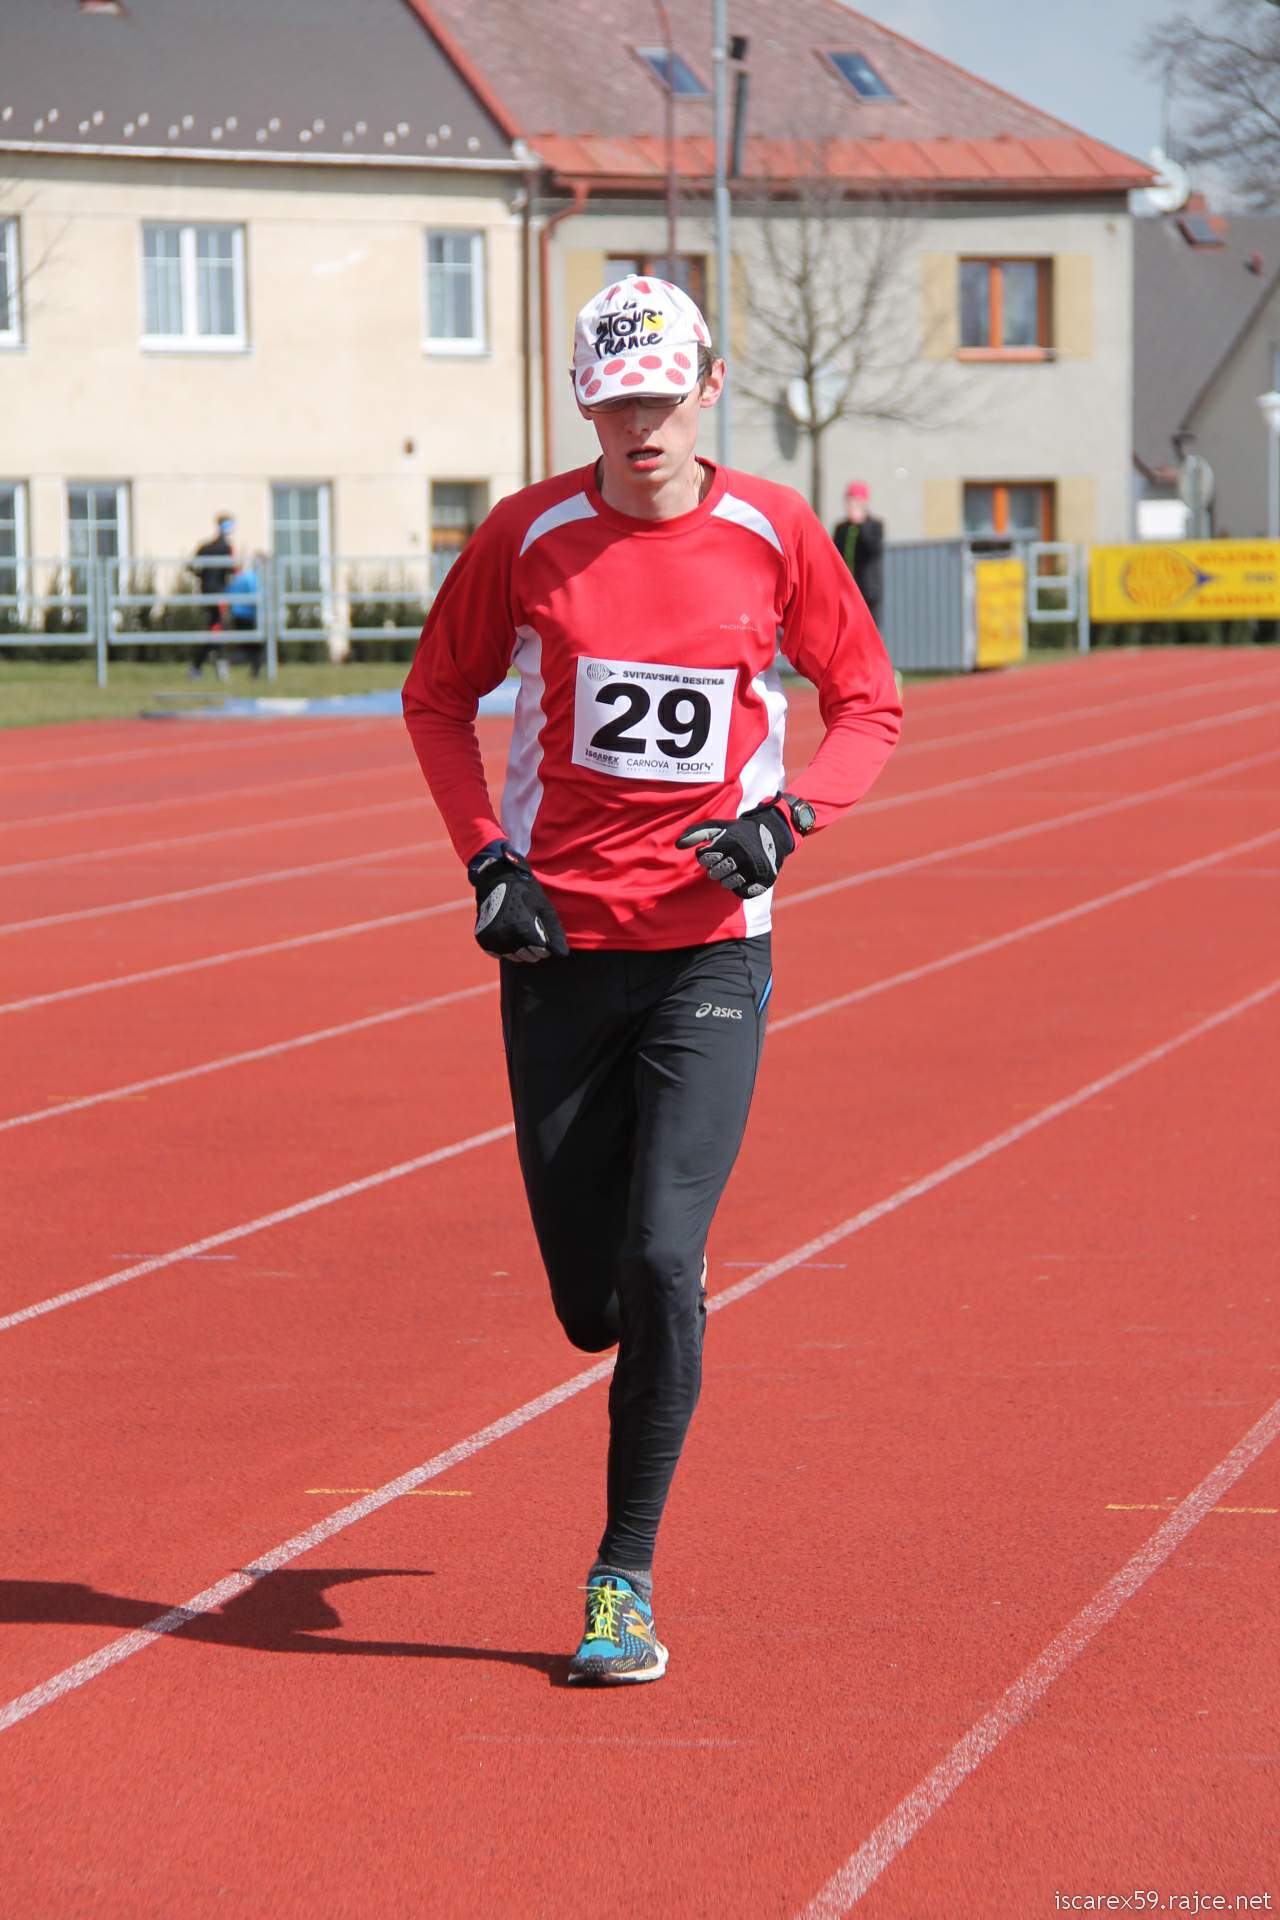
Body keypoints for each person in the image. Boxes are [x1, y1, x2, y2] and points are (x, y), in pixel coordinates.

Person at [402, 274, 901, 1685]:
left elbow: (867, 703)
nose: (642, 426)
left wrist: (787, 820)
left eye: (664, 399)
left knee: (664, 1259)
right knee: (593, 1302)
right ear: (586, 404)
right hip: (558, 954)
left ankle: (620, 1579)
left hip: (709, 951)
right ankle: (642, 1308)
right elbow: (436, 699)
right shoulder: (527, 536)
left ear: (709, 389)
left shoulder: (774, 532)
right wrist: (488, 862)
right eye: (616, 401)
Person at [831, 481, 884, 630]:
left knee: (868, 632)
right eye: (849, 502)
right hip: (845, 592)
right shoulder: (841, 528)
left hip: (867, 592)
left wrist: (861, 523)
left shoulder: (874, 526)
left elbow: (872, 548)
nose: (852, 506)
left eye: (857, 502)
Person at [189, 513, 236, 679]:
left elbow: (192, 567)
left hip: (206, 592)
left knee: (215, 627)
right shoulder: (225, 548)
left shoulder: (205, 547)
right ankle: (213, 663)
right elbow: (232, 569)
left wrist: (203, 577)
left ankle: (203, 664)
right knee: (217, 628)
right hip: (218, 593)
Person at [226, 551, 266, 677]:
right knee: (252, 647)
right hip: (247, 615)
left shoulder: (243, 576)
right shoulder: (254, 578)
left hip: (237, 614)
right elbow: (255, 599)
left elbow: (229, 591)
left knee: (249, 647)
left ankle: (255, 673)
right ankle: (228, 664)